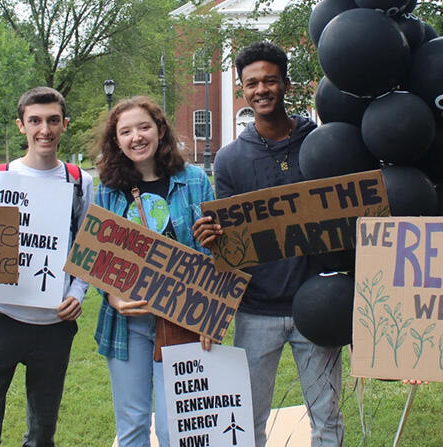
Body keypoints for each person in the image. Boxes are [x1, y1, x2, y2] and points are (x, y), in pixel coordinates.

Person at [192, 41, 344, 446]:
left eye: (270, 81)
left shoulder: (323, 141)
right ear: (242, 89)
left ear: (286, 84)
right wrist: (212, 238)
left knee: (327, 417)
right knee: (245, 420)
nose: (261, 89)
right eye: (252, 83)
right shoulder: (229, 160)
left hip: (318, 301)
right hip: (256, 309)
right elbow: (227, 240)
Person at [0, 86, 93, 447]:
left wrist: (78, 292)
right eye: (35, 121)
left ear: (64, 124)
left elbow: (85, 246)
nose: (45, 130)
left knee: (42, 432)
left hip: (53, 324)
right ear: (21, 125)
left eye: (53, 120)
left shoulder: (80, 181)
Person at [92, 96, 215, 446]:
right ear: (116, 141)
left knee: (175, 428)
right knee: (131, 427)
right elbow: (98, 254)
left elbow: (209, 251)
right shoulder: (108, 189)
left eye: (144, 127)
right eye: (126, 131)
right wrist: (112, 295)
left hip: (182, 320)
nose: (137, 137)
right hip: (127, 324)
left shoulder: (193, 181)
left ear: (160, 130)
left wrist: (209, 314)